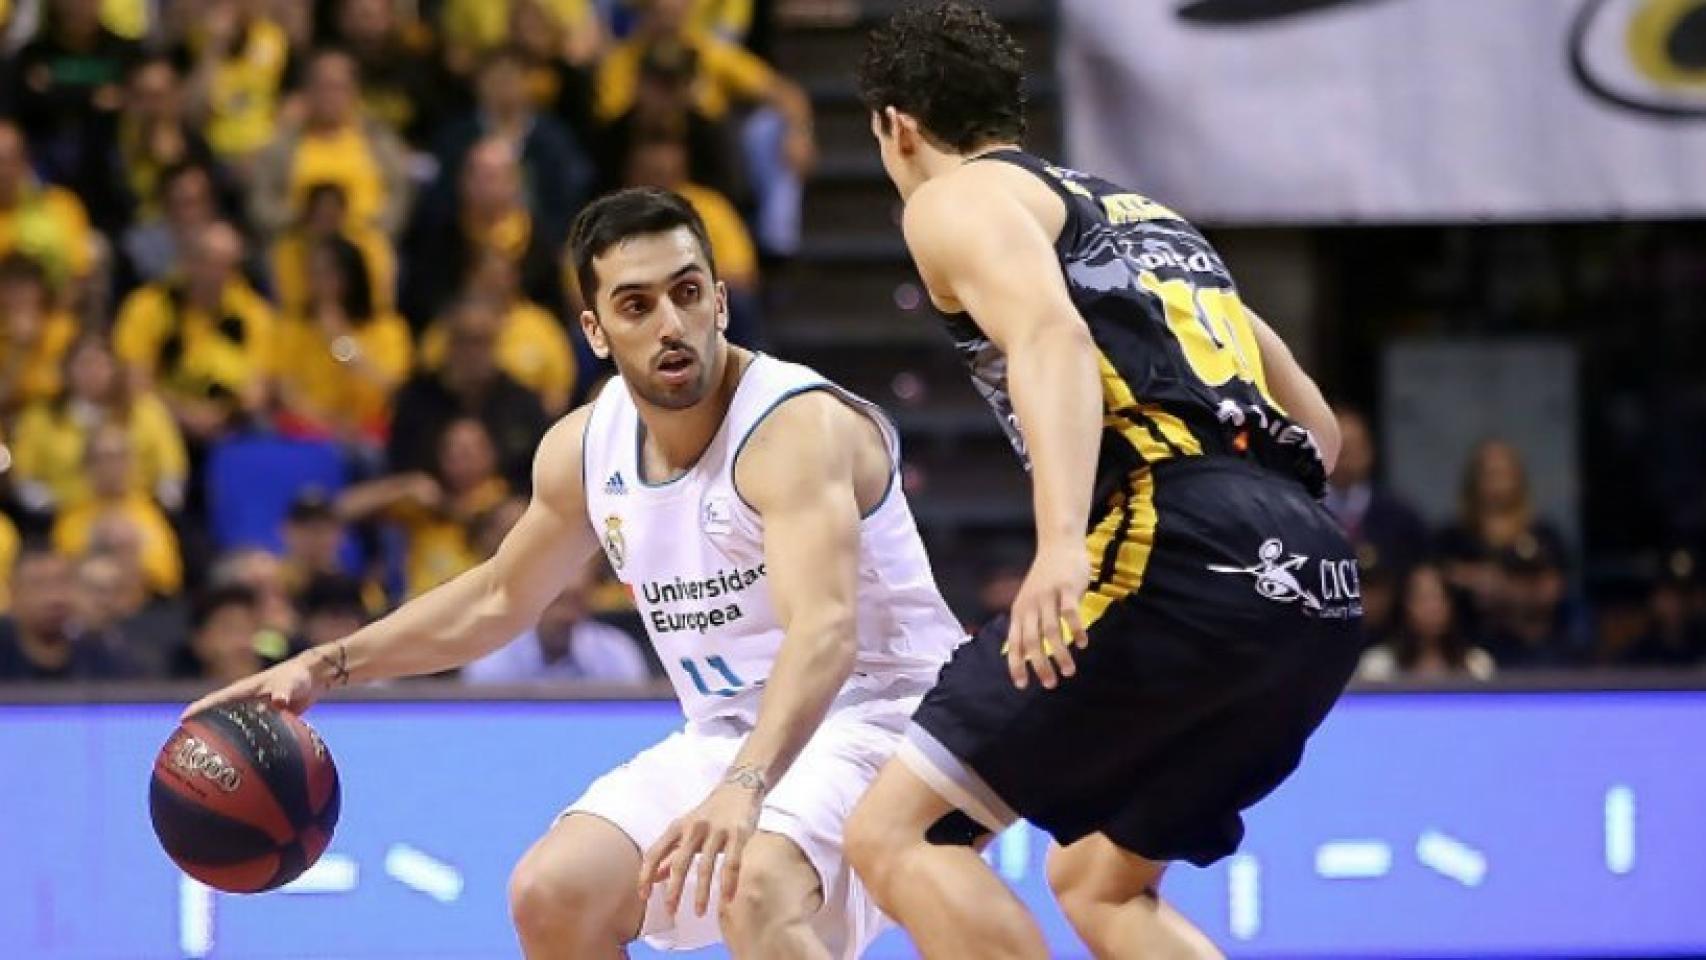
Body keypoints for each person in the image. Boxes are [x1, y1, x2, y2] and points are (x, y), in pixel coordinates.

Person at [184, 187, 964, 959]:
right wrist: (325, 665)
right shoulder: (585, 448)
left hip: (891, 723)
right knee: (552, 895)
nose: (670, 325)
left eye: (687, 294)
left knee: (753, 890)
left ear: (721, 303)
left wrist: (746, 786)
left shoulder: (792, 428)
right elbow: (496, 598)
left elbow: (824, 632)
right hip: (734, 733)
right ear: (594, 329)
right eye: (636, 305)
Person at [844, 6, 1365, 959]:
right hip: (1316, 583)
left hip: (1178, 536)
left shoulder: (953, 200)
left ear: (896, 127)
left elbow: (1054, 338)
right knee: (1099, 880)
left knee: (899, 833)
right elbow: (1317, 430)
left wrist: (1059, 549)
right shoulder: (1152, 221)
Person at [464, 557, 652, 685]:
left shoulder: (616, 652)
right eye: (558, 600)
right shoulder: (494, 655)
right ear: (534, 599)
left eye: (576, 600)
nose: (566, 615)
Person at [0, 544, 135, 681]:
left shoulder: (104, 656)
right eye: (38, 585)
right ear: (14, 592)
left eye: (63, 582)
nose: (55, 598)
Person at [1357, 562, 1494, 681]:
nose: (1431, 608)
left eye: (1438, 597)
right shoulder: (1377, 666)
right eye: (1422, 598)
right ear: (1404, 605)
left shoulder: (1477, 664)